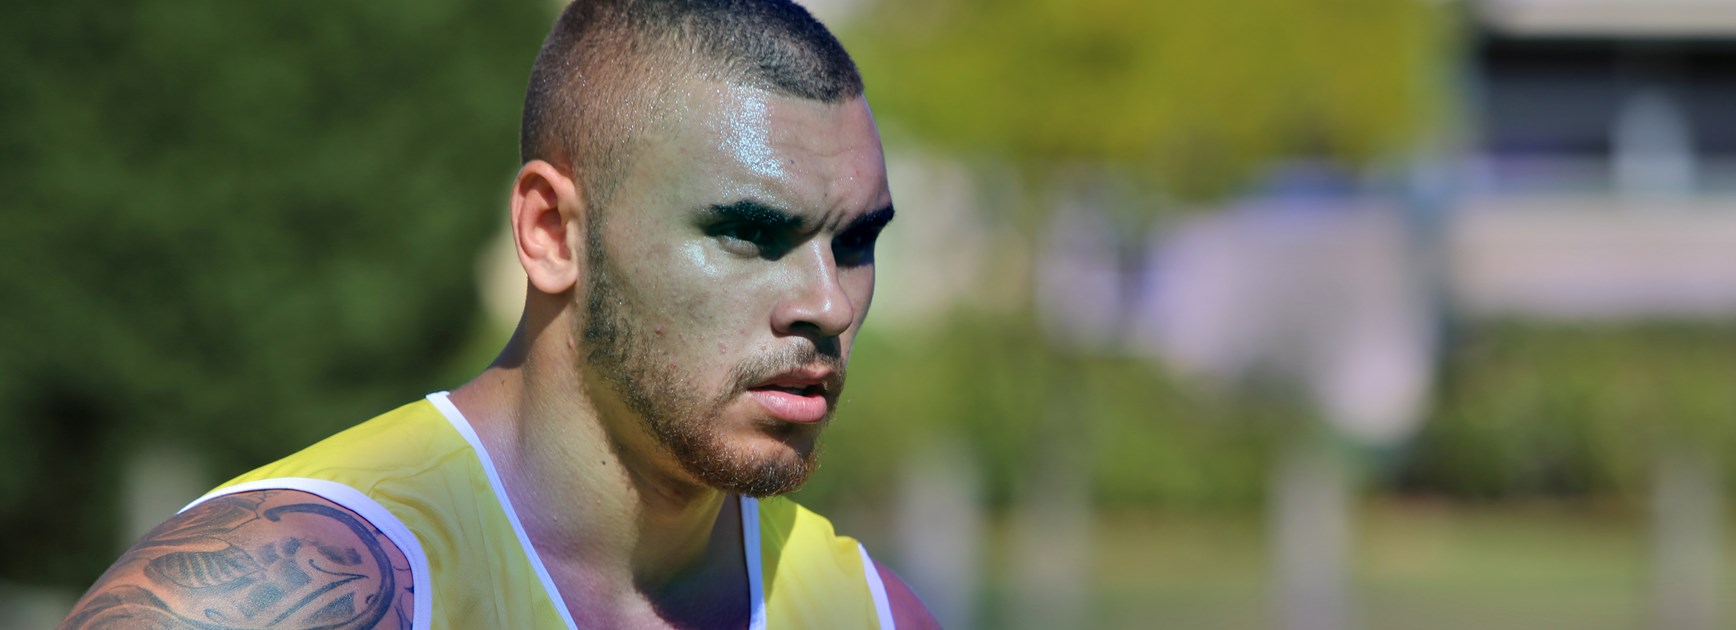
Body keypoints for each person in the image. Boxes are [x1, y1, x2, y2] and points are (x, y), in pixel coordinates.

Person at [61, 1, 938, 628]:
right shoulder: (269, 593)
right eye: (750, 232)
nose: (828, 303)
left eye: (856, 242)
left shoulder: (871, 612)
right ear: (552, 232)